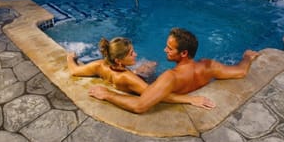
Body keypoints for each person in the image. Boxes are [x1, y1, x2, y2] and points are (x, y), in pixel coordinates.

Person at [88, 28, 261, 114]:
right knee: (150, 65)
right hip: (179, 86)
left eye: (170, 48)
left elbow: (140, 106)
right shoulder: (209, 66)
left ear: (184, 53)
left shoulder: (170, 77)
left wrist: (108, 95)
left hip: (159, 87)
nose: (165, 50)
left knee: (141, 71)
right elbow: (240, 72)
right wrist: (247, 57)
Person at [67, 36, 215, 109]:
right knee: (153, 66)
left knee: (148, 65)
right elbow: (159, 96)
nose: (135, 54)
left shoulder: (100, 65)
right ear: (119, 60)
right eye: (131, 53)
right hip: (139, 83)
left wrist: (70, 58)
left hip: (123, 76)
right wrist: (189, 99)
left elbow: (74, 71)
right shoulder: (129, 78)